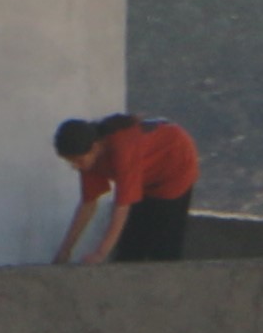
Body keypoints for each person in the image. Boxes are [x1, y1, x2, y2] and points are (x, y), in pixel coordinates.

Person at [48, 108, 202, 262]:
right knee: (130, 248)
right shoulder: (88, 161)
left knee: (164, 249)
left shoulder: (122, 147)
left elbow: (122, 205)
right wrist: (65, 250)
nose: (76, 167)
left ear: (95, 147)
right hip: (145, 180)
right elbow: (88, 203)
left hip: (176, 167)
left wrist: (101, 253)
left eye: (78, 161)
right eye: (72, 162)